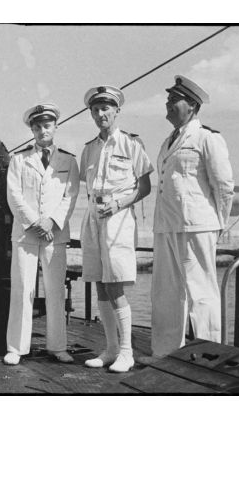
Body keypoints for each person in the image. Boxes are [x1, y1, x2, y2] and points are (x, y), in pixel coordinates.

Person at [151, 75, 234, 356]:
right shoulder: (168, 140)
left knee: (201, 294)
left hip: (196, 225)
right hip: (167, 225)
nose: (168, 103)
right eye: (169, 99)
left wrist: (218, 223)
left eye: (175, 100)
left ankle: (210, 354)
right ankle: (165, 352)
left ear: (192, 106)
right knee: (166, 294)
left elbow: (224, 186)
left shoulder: (207, 138)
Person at [80, 85, 153, 372]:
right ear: (91, 113)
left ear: (117, 110)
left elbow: (145, 186)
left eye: (106, 108)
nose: (101, 114)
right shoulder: (89, 149)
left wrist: (118, 204)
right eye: (96, 109)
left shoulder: (131, 144)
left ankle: (127, 351)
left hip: (118, 217)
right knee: (99, 282)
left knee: (115, 284)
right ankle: (110, 348)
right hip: (93, 218)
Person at [4, 103, 79, 365]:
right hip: (26, 234)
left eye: (47, 125)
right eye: (37, 126)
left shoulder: (68, 160)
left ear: (55, 127)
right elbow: (13, 195)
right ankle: (17, 347)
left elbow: (70, 196)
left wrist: (52, 222)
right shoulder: (19, 159)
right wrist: (36, 222)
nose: (42, 130)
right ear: (32, 130)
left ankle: (57, 347)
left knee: (55, 290)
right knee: (23, 288)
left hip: (54, 234)